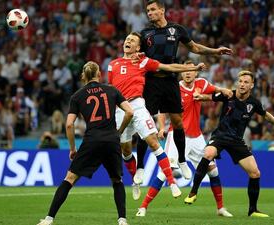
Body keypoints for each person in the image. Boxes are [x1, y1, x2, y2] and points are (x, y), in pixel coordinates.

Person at [134, 0, 233, 183]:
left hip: (171, 81)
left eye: (153, 10)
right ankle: (140, 166)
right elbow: (136, 54)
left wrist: (215, 51)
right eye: (148, 10)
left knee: (178, 122)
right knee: (144, 124)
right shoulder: (145, 34)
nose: (149, 13)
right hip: (152, 83)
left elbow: (194, 47)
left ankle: (181, 160)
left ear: (162, 10)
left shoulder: (177, 29)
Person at [108, 32, 206, 200]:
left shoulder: (143, 61)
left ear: (138, 47)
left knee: (153, 142)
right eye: (126, 39)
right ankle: (135, 181)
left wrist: (192, 68)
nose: (128, 41)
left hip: (138, 106)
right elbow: (111, 88)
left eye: (132, 40)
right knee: (125, 149)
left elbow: (168, 67)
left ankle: (172, 183)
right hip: (120, 109)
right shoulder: (113, 64)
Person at [37, 61, 134, 225]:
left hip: (92, 140)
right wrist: (119, 131)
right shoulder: (112, 90)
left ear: (83, 76)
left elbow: (69, 124)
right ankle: (122, 220)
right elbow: (130, 112)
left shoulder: (77, 96)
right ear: (99, 74)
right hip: (111, 140)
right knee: (116, 180)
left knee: (69, 179)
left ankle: (48, 219)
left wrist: (73, 148)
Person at [184, 70, 274, 218]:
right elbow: (211, 97)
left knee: (255, 173)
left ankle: (252, 210)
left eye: (246, 82)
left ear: (252, 85)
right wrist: (199, 96)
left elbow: (265, 114)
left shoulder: (254, 102)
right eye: (240, 81)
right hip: (220, 136)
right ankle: (193, 191)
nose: (242, 84)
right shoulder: (229, 94)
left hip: (237, 141)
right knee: (208, 153)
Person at [136, 60, 233, 217]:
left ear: (196, 72)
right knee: (164, 173)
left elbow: (216, 90)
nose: (188, 73)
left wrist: (224, 90)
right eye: (185, 70)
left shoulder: (201, 83)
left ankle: (220, 208)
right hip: (177, 136)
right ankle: (143, 207)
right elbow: (162, 110)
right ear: (181, 73)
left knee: (213, 171)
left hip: (197, 138)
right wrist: (161, 127)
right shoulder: (174, 88)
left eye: (191, 70)